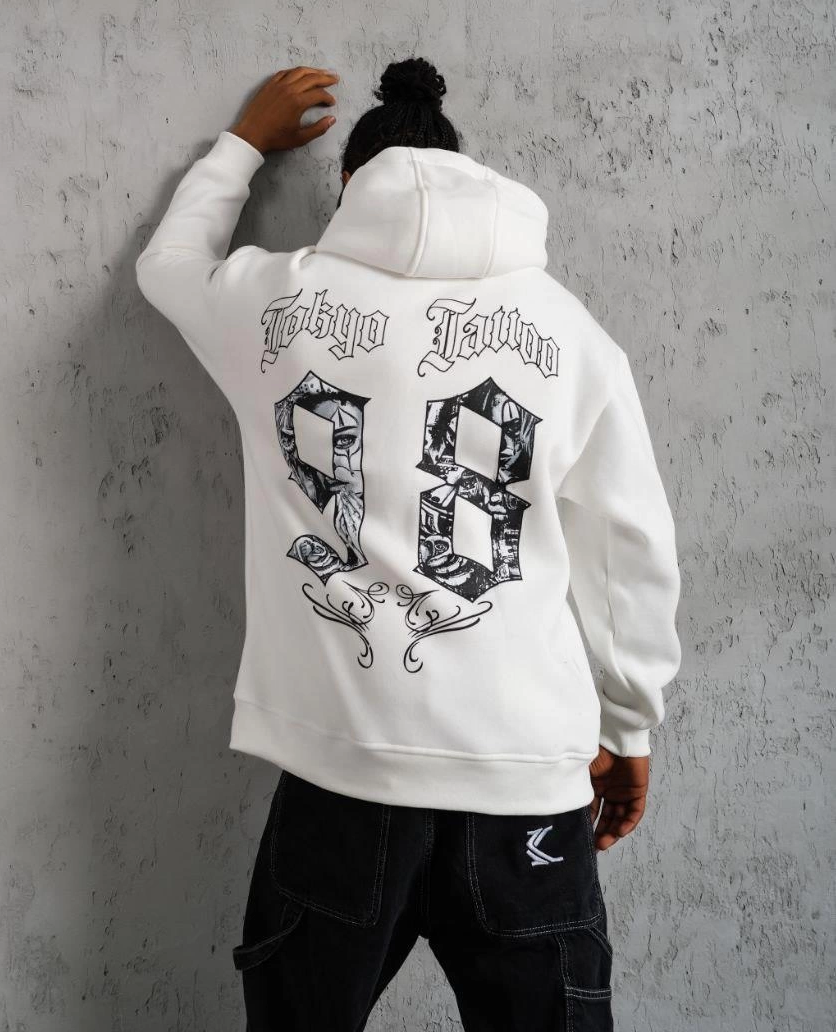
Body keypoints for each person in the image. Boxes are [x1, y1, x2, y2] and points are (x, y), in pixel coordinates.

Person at [135, 58, 683, 1031]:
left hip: (343, 770)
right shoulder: (570, 332)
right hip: (523, 772)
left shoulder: (273, 300)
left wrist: (244, 143)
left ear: (350, 185)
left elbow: (167, 265)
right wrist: (630, 720)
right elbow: (627, 542)